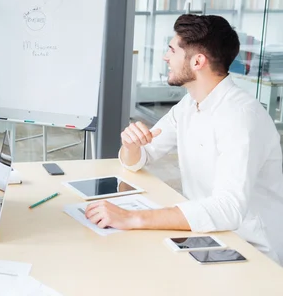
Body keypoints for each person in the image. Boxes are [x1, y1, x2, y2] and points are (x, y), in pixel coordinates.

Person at [85, 14, 283, 264]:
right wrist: (130, 146)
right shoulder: (190, 103)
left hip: (251, 251)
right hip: (210, 236)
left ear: (198, 61)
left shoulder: (241, 117)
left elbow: (228, 209)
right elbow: (141, 157)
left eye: (171, 50)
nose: (165, 57)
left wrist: (133, 218)